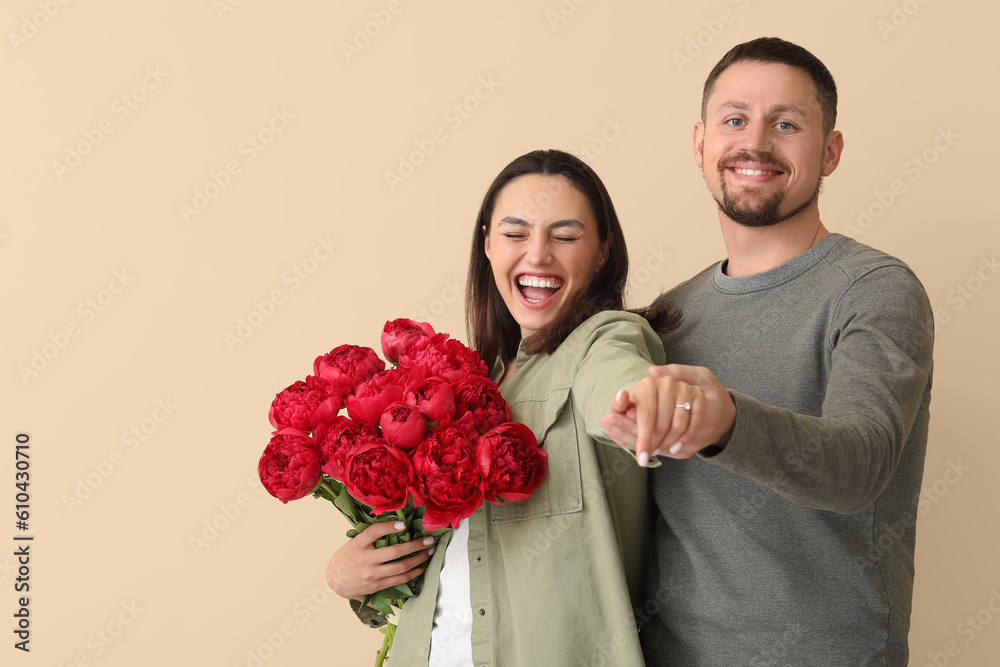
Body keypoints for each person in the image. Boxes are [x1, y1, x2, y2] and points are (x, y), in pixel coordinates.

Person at [602, 37, 934, 665]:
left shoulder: (876, 291)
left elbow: (857, 465)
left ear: (830, 152)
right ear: (700, 144)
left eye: (786, 124)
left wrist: (725, 421)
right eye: (735, 120)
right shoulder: (666, 316)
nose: (754, 143)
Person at [326, 149, 694, 666]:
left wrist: (642, 402)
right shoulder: (474, 384)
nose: (538, 254)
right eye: (515, 233)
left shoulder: (605, 340)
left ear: (604, 251)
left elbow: (616, 379)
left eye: (565, 236)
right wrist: (349, 577)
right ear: (488, 246)